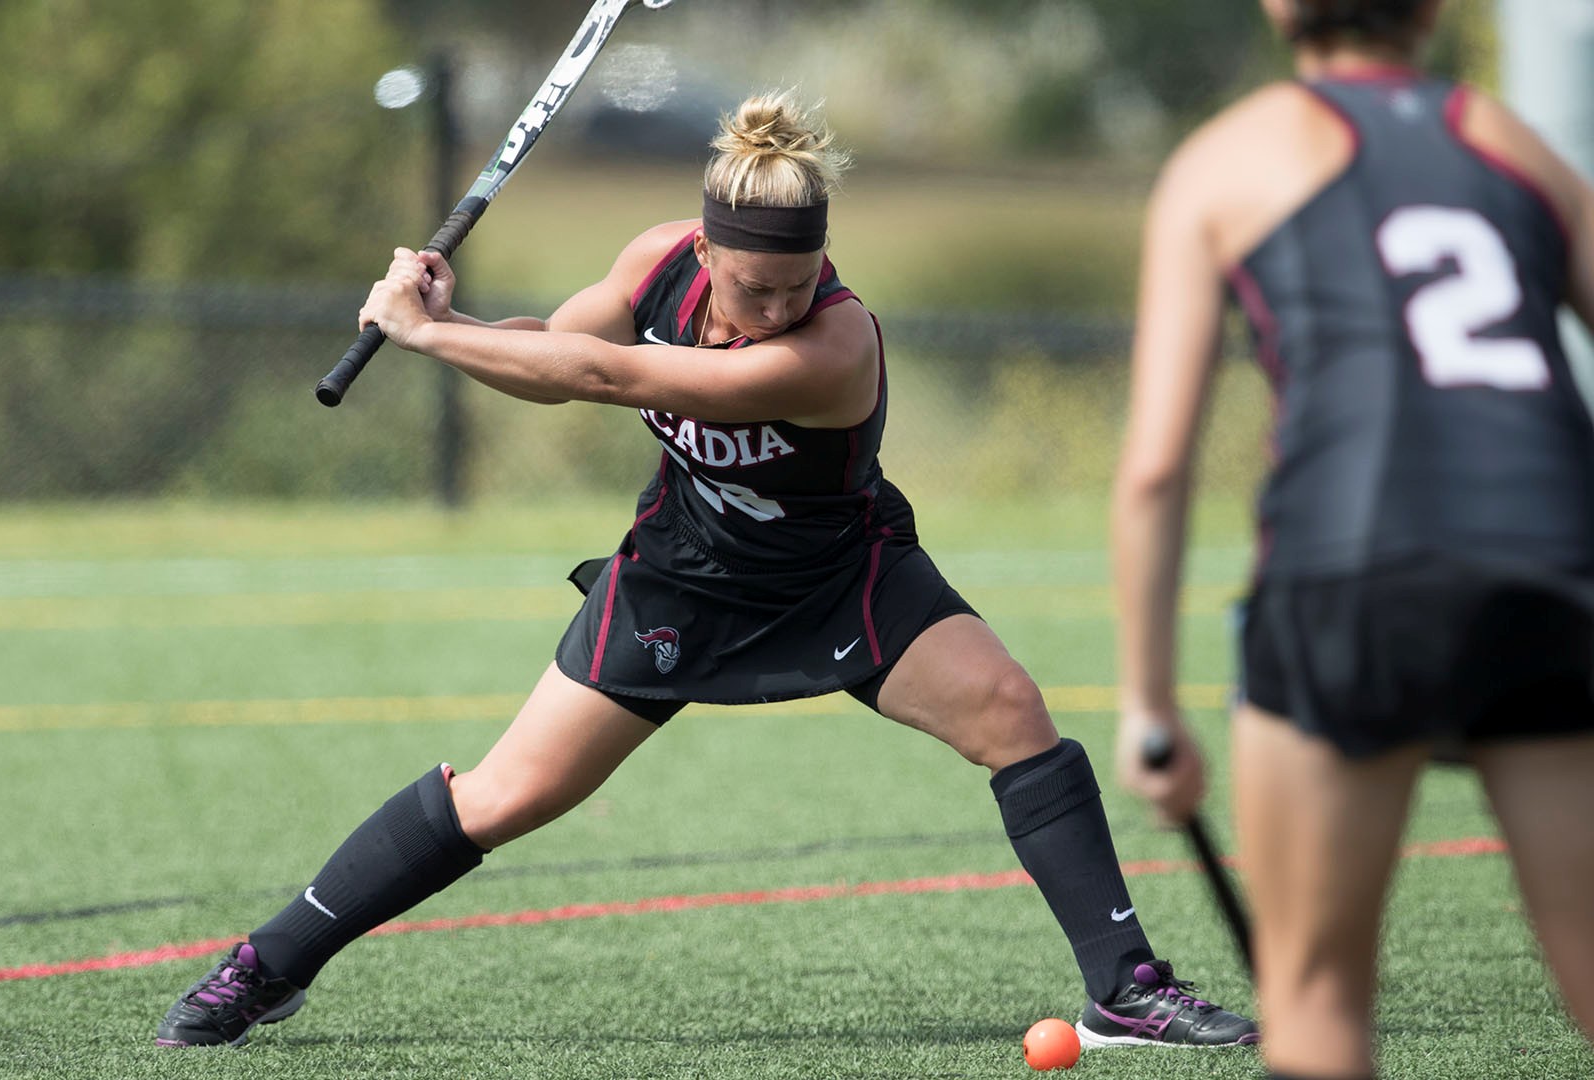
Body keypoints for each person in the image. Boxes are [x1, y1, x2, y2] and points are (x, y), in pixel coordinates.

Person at [155, 91, 1257, 1053]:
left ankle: (1127, 990)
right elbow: (554, 351)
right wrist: (456, 318)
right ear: (706, 247)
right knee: (504, 796)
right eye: (751, 288)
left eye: (796, 284)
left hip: (839, 572)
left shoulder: (836, 346)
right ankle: (269, 963)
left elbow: (602, 373)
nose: (773, 307)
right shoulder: (657, 261)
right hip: (682, 576)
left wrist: (426, 338)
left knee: (1013, 712)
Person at [1111, 2, 1594, 1078]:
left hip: (1350, 572)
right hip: (1554, 561)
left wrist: (1149, 706)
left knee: (1318, 1001)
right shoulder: (1516, 146)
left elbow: (1154, 468)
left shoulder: (1223, 159)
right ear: (1430, 9)